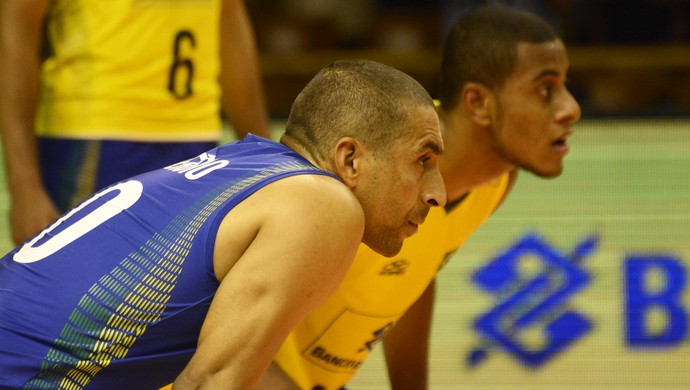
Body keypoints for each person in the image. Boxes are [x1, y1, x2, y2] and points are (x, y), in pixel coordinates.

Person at [0, 59, 446, 389]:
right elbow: (209, 383)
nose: (437, 193)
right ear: (350, 158)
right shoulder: (325, 204)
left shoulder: (246, 165)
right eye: (422, 160)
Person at [258, 5, 582, 389]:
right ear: (478, 102)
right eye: (545, 90)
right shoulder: (372, 172)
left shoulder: (495, 183)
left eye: (564, 86)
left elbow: (415, 273)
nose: (570, 109)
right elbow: (208, 328)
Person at [0, 0, 271, 246]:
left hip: (196, 138)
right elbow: (18, 19)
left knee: (183, 293)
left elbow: (228, 16)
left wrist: (264, 159)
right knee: (79, 289)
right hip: (93, 139)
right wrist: (25, 187)